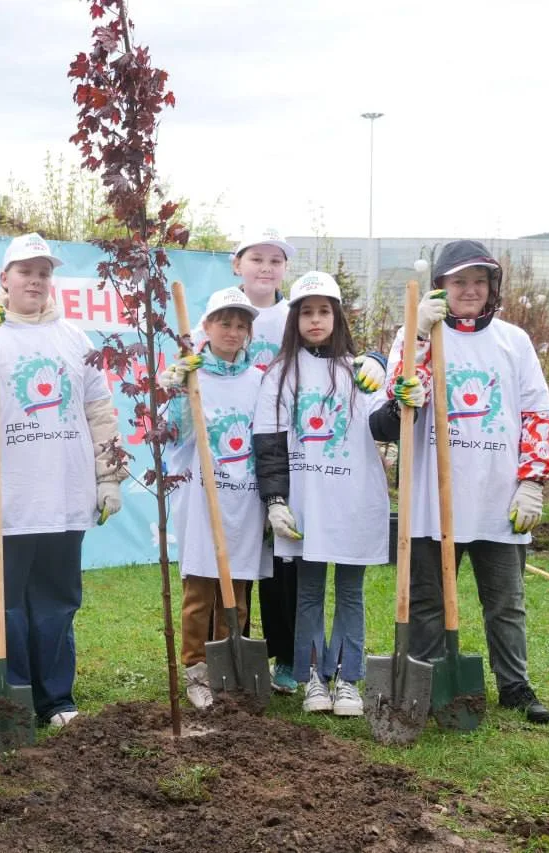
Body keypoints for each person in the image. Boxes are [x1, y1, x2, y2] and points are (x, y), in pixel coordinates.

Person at [0, 233, 124, 727]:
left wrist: (109, 477)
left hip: (63, 495)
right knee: (4, 603)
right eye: (25, 271)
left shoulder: (75, 338)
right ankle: (12, 693)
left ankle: (56, 699)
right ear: (5, 278)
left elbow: (99, 411)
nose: (36, 280)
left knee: (57, 601)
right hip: (5, 498)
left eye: (44, 272)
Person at [390, 240, 549, 724]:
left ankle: (515, 685)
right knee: (428, 601)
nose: (469, 290)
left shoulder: (514, 340)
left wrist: (533, 480)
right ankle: (423, 678)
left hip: (497, 495)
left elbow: (538, 411)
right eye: (459, 281)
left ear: (492, 289)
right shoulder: (420, 334)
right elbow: (398, 396)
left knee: (505, 602)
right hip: (433, 500)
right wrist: (418, 335)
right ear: (440, 286)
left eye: (479, 281)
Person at [253, 271, 394, 717]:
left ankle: (348, 678)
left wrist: (397, 395)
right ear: (294, 319)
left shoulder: (359, 371)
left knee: (351, 592)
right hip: (306, 504)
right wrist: (275, 500)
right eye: (307, 312)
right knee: (309, 592)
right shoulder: (280, 375)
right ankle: (313, 675)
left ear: (337, 317)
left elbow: (381, 427)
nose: (316, 320)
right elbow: (270, 442)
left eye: (324, 311)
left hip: (352, 501)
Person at [157, 287, 268, 709]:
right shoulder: (191, 375)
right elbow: (176, 436)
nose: (233, 331)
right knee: (199, 589)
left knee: (236, 590)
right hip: (200, 498)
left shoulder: (259, 379)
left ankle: (231, 664)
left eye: (242, 325)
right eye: (225, 322)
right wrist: (177, 393)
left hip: (244, 497)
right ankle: (196, 668)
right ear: (206, 326)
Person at [231, 231, 300, 695]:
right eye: (257, 258)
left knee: (283, 558)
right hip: (233, 451)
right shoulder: (219, 313)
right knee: (238, 554)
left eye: (275, 260)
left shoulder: (296, 316)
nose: (266, 267)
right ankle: (234, 647)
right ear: (237, 264)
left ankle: (288, 656)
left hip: (286, 449)